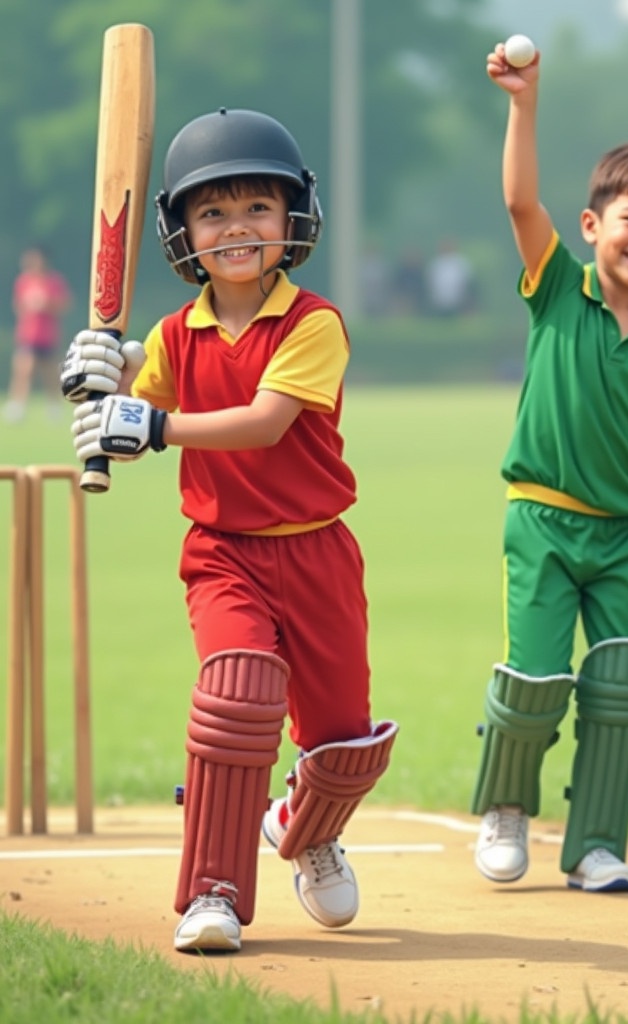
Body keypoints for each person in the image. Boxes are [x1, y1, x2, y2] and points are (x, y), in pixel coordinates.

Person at [60, 108, 398, 952]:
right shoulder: (176, 335)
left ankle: (308, 828)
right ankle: (210, 891)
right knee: (237, 687)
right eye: (213, 212)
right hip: (224, 555)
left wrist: (150, 424)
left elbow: (264, 422)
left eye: (257, 208)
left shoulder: (314, 322)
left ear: (293, 220)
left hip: (318, 548)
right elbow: (144, 412)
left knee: (344, 740)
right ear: (183, 233)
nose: (237, 227)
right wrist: (106, 382)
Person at [471, 42, 628, 894]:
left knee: (621, 690)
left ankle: (594, 846)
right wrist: (523, 101)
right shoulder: (555, 287)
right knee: (538, 678)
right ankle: (506, 809)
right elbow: (518, 198)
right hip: (541, 520)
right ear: (593, 227)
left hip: (626, 539)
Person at [4, 247, 71, 422]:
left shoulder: (54, 282)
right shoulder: (23, 282)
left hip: (47, 335)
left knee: (50, 374)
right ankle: (17, 406)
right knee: (23, 370)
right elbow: (18, 305)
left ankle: (54, 407)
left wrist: (45, 304)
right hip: (28, 334)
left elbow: (64, 305)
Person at [425, 238, 476, 316]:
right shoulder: (435, 263)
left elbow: (466, 281)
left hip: (458, 299)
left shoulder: (461, 262)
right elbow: (431, 281)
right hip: (439, 299)